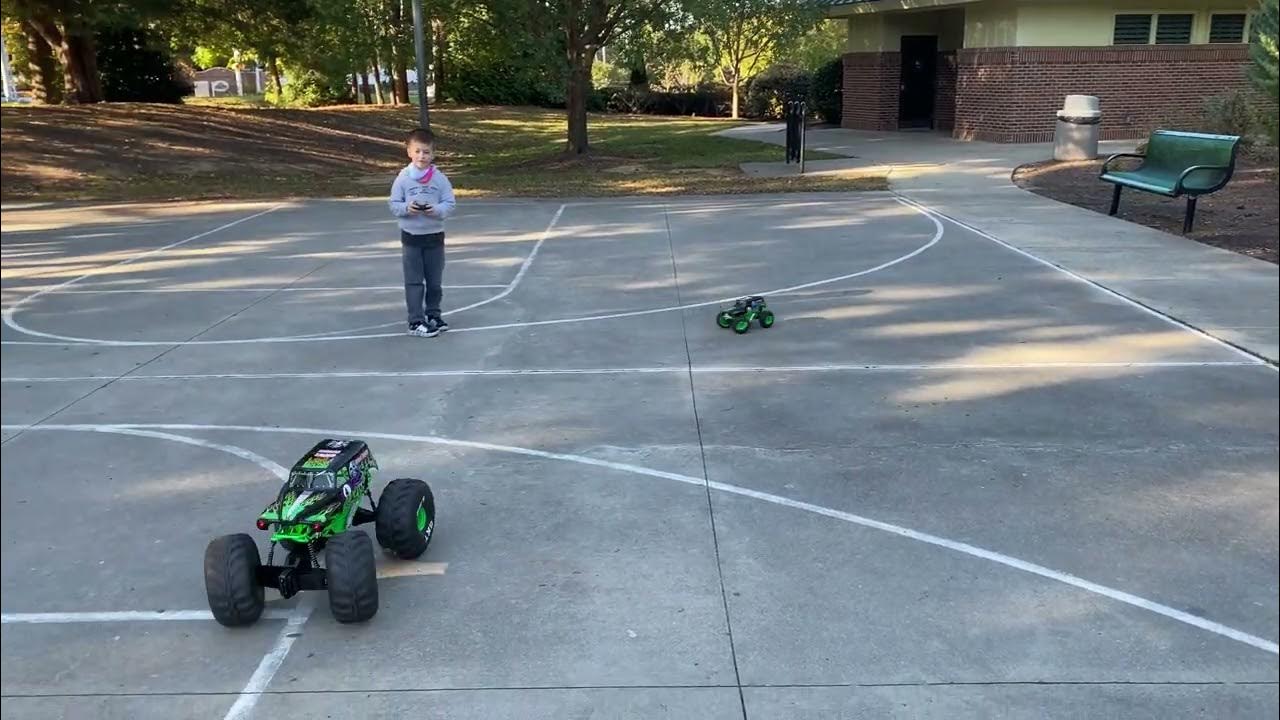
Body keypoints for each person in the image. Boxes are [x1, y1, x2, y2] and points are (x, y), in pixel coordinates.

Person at [388, 127, 456, 337]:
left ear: (433, 154)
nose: (422, 156)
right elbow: (394, 204)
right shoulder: (403, 179)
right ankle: (415, 321)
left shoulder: (440, 179)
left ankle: (433, 314)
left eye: (426, 152)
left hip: (434, 237)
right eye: (417, 151)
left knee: (434, 282)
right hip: (411, 238)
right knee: (415, 281)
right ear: (409, 152)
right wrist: (407, 209)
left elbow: (449, 203)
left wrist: (436, 211)